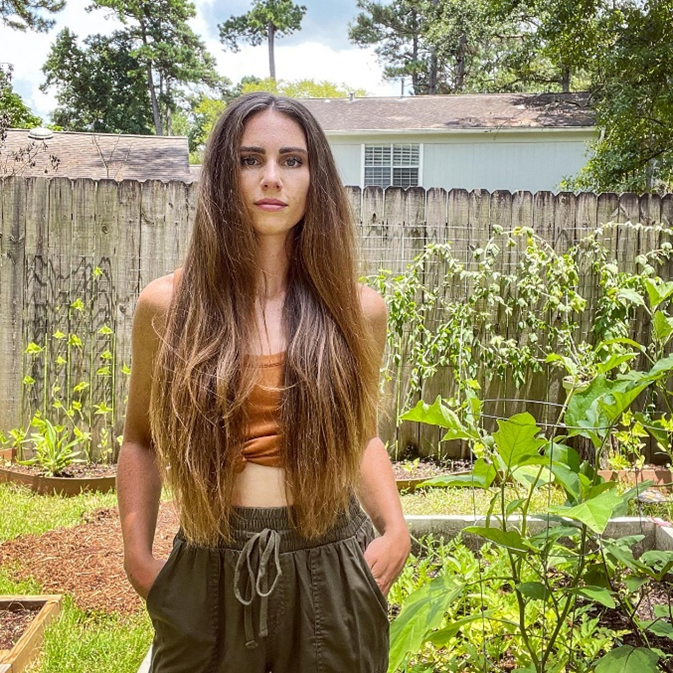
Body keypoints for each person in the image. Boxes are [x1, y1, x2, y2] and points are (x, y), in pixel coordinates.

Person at [117, 92, 410, 673]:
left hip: (331, 564)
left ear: (314, 178)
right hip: (209, 562)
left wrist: (396, 527)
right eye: (250, 159)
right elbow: (140, 441)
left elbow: (361, 437)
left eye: (291, 160)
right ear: (223, 176)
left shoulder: (358, 311)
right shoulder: (169, 307)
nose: (271, 177)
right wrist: (138, 557)